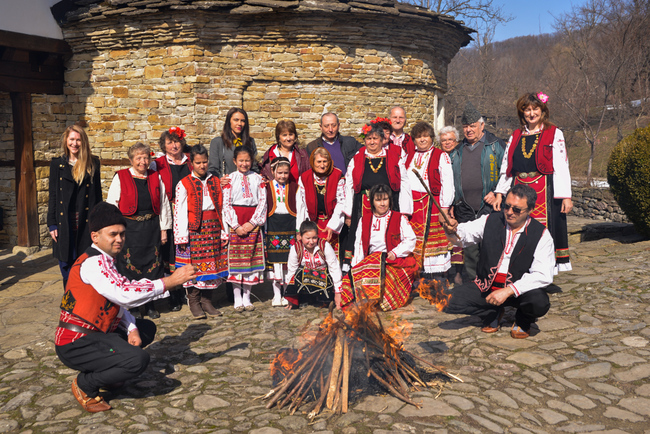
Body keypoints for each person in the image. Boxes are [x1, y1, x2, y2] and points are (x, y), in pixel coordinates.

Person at [55, 201, 197, 413]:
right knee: (137, 360)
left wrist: (131, 329)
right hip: (77, 343)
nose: (119, 240)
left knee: (145, 329)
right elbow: (125, 294)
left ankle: (110, 373)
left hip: (97, 334)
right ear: (95, 236)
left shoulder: (106, 259)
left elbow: (118, 299)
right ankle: (86, 384)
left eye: (122, 234)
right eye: (112, 234)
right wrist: (168, 282)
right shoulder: (93, 263)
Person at [442, 184, 554, 339]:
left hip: (519, 292)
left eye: (516, 209)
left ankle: (523, 319)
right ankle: (492, 311)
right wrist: (452, 230)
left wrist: (509, 291)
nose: (509, 212)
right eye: (506, 206)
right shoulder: (491, 220)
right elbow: (463, 237)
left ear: (530, 210)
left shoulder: (541, 234)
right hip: (486, 287)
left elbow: (543, 274)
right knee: (445, 301)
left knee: (539, 302)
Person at [494, 92, 573, 273]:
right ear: (522, 113)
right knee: (519, 229)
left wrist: (565, 197)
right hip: (518, 189)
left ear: (542, 110)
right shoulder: (515, 135)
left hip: (544, 190)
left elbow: (561, 165)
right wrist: (500, 193)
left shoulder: (554, 133)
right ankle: (521, 269)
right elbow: (507, 166)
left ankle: (543, 272)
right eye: (527, 110)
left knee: (543, 231)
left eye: (535, 109)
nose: (531, 113)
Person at [107, 143, 172, 319]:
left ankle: (150, 304)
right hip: (130, 229)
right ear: (131, 160)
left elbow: (164, 204)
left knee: (151, 267)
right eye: (139, 158)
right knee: (130, 268)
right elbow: (112, 204)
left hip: (151, 229)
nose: (143, 162)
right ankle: (134, 306)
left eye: (145, 158)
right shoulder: (121, 177)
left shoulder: (155, 177)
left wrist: (164, 230)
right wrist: (115, 232)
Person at [451, 102, 506, 280]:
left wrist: (498, 192)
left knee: (491, 248)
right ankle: (475, 289)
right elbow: (450, 180)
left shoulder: (496, 146)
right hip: (465, 207)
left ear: (482, 125)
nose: (469, 130)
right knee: (471, 253)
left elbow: (507, 173)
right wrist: (452, 204)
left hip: (489, 205)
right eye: (466, 126)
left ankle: (494, 285)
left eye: (472, 126)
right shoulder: (456, 151)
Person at [341, 184, 418, 311]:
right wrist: (356, 268)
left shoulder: (399, 218)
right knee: (349, 280)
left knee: (387, 281)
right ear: (372, 202)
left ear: (390, 200)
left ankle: (372, 301)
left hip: (392, 261)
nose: (382, 204)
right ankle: (362, 301)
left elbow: (410, 240)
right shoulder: (364, 220)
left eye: (385, 199)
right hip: (371, 262)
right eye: (378, 200)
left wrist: (395, 252)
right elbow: (359, 245)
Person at [344, 122, 412, 262]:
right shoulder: (357, 159)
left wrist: (404, 211)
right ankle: (361, 265)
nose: (372, 142)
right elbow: (349, 185)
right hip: (363, 205)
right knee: (363, 236)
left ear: (382, 140)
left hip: (387, 203)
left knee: (386, 234)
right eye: (369, 139)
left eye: (375, 138)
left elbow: (404, 183)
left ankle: (387, 261)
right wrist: (348, 214)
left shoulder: (394, 158)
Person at [174, 145, 227, 319]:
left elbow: (221, 206)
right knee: (194, 267)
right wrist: (181, 235)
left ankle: (207, 300)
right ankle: (194, 301)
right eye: (198, 163)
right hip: (194, 229)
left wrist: (223, 230)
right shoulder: (184, 184)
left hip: (212, 227)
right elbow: (180, 211)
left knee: (211, 266)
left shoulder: (214, 180)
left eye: (205, 162)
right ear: (191, 163)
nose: (202, 166)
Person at [48, 125, 103, 289]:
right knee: (67, 265)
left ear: (83, 142)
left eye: (78, 139)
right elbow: (53, 196)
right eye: (72, 139)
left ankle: (85, 303)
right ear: (66, 141)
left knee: (86, 263)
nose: (75, 143)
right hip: (64, 223)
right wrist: (52, 223)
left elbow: (97, 196)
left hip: (85, 223)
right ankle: (69, 303)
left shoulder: (93, 163)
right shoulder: (57, 164)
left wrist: (99, 224)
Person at [405, 122, 454, 284]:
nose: (422, 140)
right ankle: (418, 276)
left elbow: (448, 184)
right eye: (418, 137)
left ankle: (438, 279)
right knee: (414, 241)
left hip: (432, 205)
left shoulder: (441, 155)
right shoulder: (409, 156)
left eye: (425, 136)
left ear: (431, 138)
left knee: (434, 242)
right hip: (413, 207)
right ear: (414, 140)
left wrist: (444, 208)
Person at [151, 126, 193, 311]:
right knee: (171, 253)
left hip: (190, 212)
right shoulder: (158, 164)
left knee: (189, 250)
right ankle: (174, 293)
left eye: (177, 141)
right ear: (164, 145)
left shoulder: (190, 161)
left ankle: (189, 291)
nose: (174, 145)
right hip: (169, 212)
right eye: (170, 142)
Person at [222, 146, 267, 312]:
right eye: (241, 160)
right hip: (236, 220)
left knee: (250, 260)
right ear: (234, 161)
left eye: (247, 160)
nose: (244, 163)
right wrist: (235, 225)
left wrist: (252, 222)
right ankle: (237, 297)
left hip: (252, 221)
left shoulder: (258, 179)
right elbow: (226, 204)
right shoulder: (230, 180)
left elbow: (262, 202)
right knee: (236, 261)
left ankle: (247, 297)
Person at [296, 148, 346, 260]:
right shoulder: (304, 178)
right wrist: (301, 228)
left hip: (331, 221)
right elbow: (301, 205)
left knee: (331, 255)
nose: (322, 165)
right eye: (319, 162)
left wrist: (332, 226)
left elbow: (341, 201)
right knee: (313, 254)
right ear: (313, 162)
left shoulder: (337, 175)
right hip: (312, 221)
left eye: (325, 161)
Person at [284, 220, 343, 310]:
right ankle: (304, 298)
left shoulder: (324, 246)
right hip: (305, 279)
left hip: (323, 280)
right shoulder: (296, 248)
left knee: (327, 278)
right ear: (300, 236)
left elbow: (334, 268)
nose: (311, 242)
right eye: (308, 238)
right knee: (298, 273)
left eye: (314, 238)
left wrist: (338, 293)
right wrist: (291, 297)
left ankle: (323, 299)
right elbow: (292, 271)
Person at [265, 157, 298, 307]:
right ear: (273, 172)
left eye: (285, 173)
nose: (283, 176)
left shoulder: (295, 187)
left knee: (288, 261)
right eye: (279, 172)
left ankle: (287, 294)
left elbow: (300, 206)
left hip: (290, 223)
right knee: (275, 261)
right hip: (273, 224)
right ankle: (276, 294)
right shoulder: (267, 186)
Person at [438, 126, 464, 285]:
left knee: (457, 238)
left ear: (456, 141)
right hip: (443, 203)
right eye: (444, 140)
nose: (447, 143)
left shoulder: (461, 156)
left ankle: (458, 273)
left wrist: (454, 203)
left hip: (459, 202)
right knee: (444, 238)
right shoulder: (438, 156)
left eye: (450, 140)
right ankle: (445, 272)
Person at [208, 107, 258, 183]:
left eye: (243, 121)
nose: (239, 124)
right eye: (236, 120)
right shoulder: (218, 142)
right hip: (226, 186)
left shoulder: (250, 142)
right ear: (229, 121)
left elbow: (254, 167)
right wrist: (219, 180)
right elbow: (213, 169)